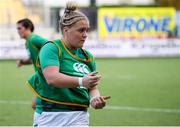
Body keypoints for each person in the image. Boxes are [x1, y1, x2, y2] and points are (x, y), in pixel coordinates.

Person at [27, 1, 110, 126]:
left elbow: (92, 87)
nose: (85, 35)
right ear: (66, 30)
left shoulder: (88, 57)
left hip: (79, 116)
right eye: (81, 30)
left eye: (87, 30)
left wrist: (94, 99)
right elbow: (52, 78)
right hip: (50, 115)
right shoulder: (52, 48)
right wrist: (82, 81)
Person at [16, 18, 47, 109]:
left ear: (28, 27)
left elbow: (51, 45)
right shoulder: (28, 42)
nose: (17, 31)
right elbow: (32, 59)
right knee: (37, 105)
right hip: (41, 77)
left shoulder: (34, 39)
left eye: (19, 28)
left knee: (36, 105)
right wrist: (22, 62)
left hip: (46, 76)